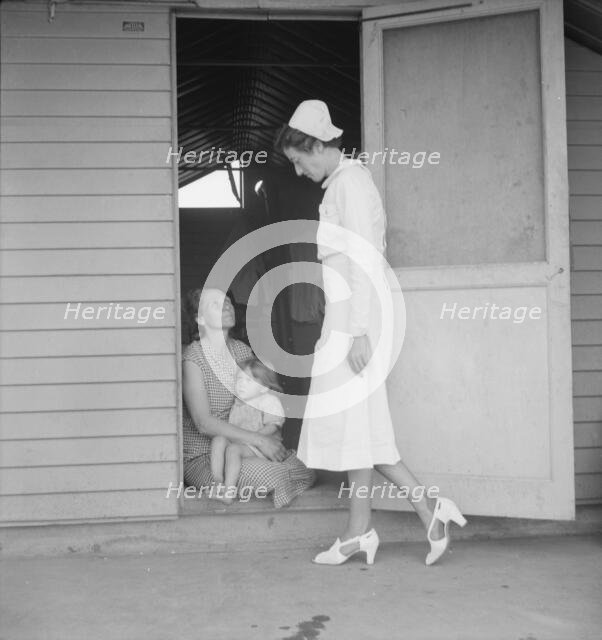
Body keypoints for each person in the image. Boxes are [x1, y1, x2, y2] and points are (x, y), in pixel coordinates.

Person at [274, 100, 466, 565]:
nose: (298, 172)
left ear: (318, 145)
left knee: (355, 422)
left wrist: (357, 331)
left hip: (356, 320)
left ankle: (420, 507)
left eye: (299, 161)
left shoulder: (351, 185)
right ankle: (369, 527)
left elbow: (364, 258)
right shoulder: (341, 184)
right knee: (356, 425)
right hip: (345, 317)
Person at [182, 287, 315, 508]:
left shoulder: (242, 351)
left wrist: (268, 437)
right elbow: (203, 423)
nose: (227, 306)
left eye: (227, 301)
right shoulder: (193, 358)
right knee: (273, 475)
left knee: (306, 466)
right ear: (200, 319)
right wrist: (260, 440)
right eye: (216, 304)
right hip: (207, 455)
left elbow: (264, 398)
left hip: (246, 445)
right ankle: (222, 485)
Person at [210, 357, 285, 504]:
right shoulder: (239, 403)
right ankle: (217, 481)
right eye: (239, 379)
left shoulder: (268, 400)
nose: (241, 385)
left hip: (262, 447)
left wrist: (253, 438)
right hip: (243, 443)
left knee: (233, 450)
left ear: (263, 387)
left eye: (248, 381)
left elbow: (273, 425)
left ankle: (228, 492)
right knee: (218, 440)